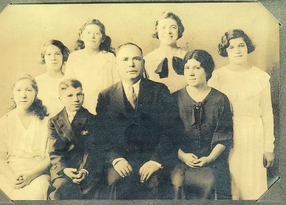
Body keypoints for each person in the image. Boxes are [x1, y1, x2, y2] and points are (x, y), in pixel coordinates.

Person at [96, 43, 176, 199]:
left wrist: (155, 161)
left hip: (152, 159)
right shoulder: (106, 96)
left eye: (136, 59)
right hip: (121, 160)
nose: (131, 64)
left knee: (156, 183)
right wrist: (116, 159)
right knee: (114, 181)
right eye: (125, 59)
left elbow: (170, 131)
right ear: (117, 65)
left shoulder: (160, 91)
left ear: (143, 63)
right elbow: (101, 135)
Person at [208, 29, 275, 200]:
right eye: (231, 47)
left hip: (254, 137)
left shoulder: (260, 76)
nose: (237, 50)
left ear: (247, 48)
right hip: (226, 137)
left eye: (241, 45)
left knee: (253, 187)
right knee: (230, 185)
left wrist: (268, 148)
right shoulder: (218, 77)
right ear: (226, 50)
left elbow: (267, 114)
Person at [171, 50, 233, 199]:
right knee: (177, 181)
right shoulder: (174, 98)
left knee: (211, 182)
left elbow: (224, 135)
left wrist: (210, 158)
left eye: (197, 68)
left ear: (207, 70)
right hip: (180, 159)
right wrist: (183, 156)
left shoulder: (220, 98)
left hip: (213, 160)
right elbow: (167, 135)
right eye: (187, 68)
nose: (191, 73)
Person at [0, 74, 50, 200]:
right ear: (13, 94)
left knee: (33, 196)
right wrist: (12, 178)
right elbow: (0, 159)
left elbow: (49, 158)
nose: (23, 95)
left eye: (28, 90)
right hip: (11, 174)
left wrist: (30, 176)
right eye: (18, 90)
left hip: (37, 174)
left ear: (36, 94)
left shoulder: (46, 122)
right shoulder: (5, 121)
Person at [48, 79, 103, 200]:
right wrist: (65, 169)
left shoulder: (93, 119)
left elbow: (92, 150)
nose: (76, 99)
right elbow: (54, 152)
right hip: (64, 169)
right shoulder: (54, 121)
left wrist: (84, 170)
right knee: (60, 188)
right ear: (60, 99)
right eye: (70, 95)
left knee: (90, 189)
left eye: (79, 94)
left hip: (87, 167)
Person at [65, 19, 121, 115]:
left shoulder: (109, 57)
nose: (92, 36)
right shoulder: (74, 57)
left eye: (97, 33)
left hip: (106, 105)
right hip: (81, 105)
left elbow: (118, 84)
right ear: (81, 36)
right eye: (88, 33)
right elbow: (69, 84)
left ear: (103, 38)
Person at [144, 12, 187, 93]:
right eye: (163, 27)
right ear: (157, 31)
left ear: (179, 30)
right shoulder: (147, 60)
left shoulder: (188, 57)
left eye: (173, 27)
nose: (168, 31)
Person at [36, 39, 70, 117]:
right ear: (43, 57)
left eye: (57, 54)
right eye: (49, 54)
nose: (53, 58)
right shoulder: (37, 81)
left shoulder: (69, 80)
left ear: (63, 56)